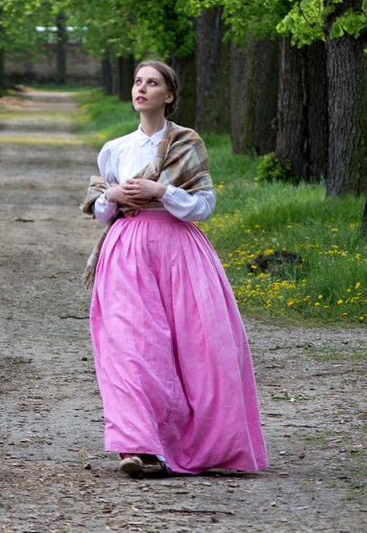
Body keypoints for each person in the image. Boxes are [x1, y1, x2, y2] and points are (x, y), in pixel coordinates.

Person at [80, 60, 268, 477]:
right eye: (137, 82)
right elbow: (99, 208)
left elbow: (204, 205)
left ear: (170, 95)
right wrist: (112, 194)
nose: (141, 89)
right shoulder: (115, 149)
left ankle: (199, 443)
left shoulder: (188, 143)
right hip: (126, 252)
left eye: (152, 83)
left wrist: (160, 191)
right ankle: (137, 446)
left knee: (198, 351)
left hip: (178, 252)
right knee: (131, 348)